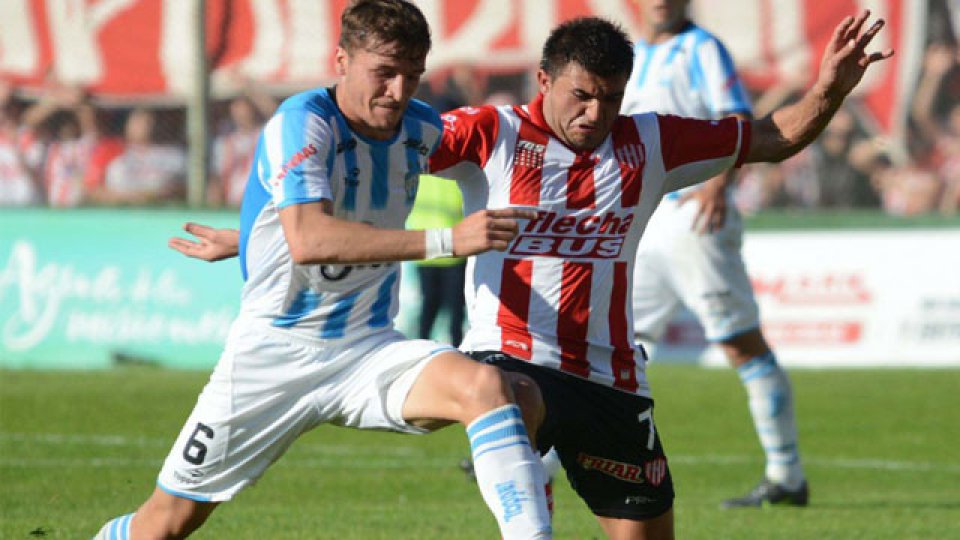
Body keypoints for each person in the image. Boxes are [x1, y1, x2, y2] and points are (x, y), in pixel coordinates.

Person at [172, 11, 892, 539]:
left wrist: (829, 88)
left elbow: (775, 136)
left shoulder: (652, 141)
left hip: (612, 381)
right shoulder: (488, 132)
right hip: (513, 357)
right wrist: (253, 242)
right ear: (545, 79)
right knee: (502, 393)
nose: (595, 112)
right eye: (581, 94)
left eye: (611, 97)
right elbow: (369, 179)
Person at [93, 1, 552, 539]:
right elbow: (310, 240)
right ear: (341, 60)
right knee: (162, 527)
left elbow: (343, 213)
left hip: (367, 349)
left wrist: (252, 239)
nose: (399, 91)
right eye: (384, 73)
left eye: (412, 75)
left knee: (501, 391)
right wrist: (450, 239)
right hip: (274, 354)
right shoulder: (302, 123)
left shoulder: (423, 129)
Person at [620, 0, 808, 508]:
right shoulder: (632, 53)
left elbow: (738, 119)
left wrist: (719, 184)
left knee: (739, 343)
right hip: (648, 221)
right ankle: (549, 456)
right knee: (622, 343)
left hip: (693, 217)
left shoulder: (701, 48)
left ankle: (787, 475)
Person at [406, 173, 468, 345]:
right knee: (453, 310)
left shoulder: (418, 171)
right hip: (449, 248)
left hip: (432, 247)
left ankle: (422, 350)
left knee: (431, 307)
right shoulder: (458, 171)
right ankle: (456, 352)